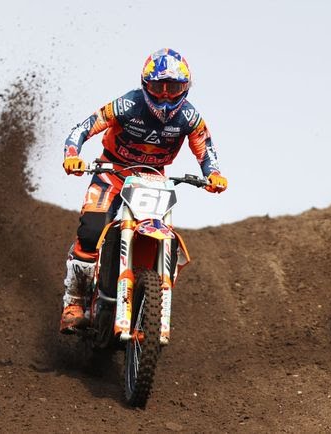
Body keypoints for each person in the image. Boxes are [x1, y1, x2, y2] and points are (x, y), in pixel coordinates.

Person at [60, 48, 227, 333]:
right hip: (112, 170)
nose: (165, 96)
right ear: (145, 84)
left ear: (185, 88)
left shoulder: (189, 117)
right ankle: (74, 302)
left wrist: (213, 174)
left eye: (173, 88)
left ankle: (150, 294)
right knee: (90, 231)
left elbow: (205, 148)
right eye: (159, 87)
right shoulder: (128, 105)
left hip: (153, 178)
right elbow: (83, 128)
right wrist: (72, 154)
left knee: (164, 236)